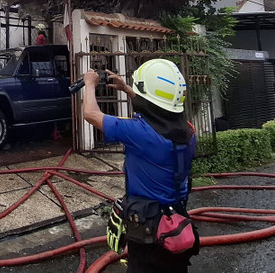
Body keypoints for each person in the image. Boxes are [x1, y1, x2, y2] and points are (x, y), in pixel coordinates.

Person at [82, 60, 198, 272]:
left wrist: (90, 84)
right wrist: (127, 89)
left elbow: (91, 114)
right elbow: (157, 110)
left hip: (148, 228)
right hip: (176, 222)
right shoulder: (188, 132)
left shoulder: (140, 133)